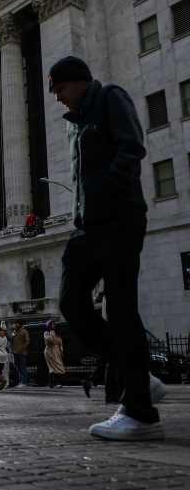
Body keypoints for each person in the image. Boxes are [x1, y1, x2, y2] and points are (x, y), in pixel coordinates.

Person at [51, 55, 163, 440]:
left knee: (121, 309)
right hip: (88, 226)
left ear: (79, 81)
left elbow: (132, 149)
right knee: (71, 302)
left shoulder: (111, 98)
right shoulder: (75, 123)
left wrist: (107, 194)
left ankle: (141, 414)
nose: (58, 97)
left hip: (120, 218)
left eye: (60, 88)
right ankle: (139, 375)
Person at [43, 321, 65, 388]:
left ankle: (56, 383)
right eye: (52, 324)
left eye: (54, 324)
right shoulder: (46, 333)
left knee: (58, 366)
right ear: (48, 325)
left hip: (56, 351)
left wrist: (61, 351)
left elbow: (60, 343)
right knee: (52, 367)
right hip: (49, 351)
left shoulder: (57, 333)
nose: (54, 326)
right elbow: (52, 341)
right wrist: (52, 332)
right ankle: (52, 383)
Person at [11, 321, 30, 387]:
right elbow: (11, 340)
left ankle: (24, 382)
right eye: (15, 324)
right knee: (18, 368)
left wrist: (21, 348)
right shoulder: (14, 332)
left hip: (22, 353)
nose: (15, 325)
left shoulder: (24, 331)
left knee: (22, 368)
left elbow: (27, 341)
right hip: (15, 353)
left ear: (19, 324)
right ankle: (20, 382)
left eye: (16, 324)